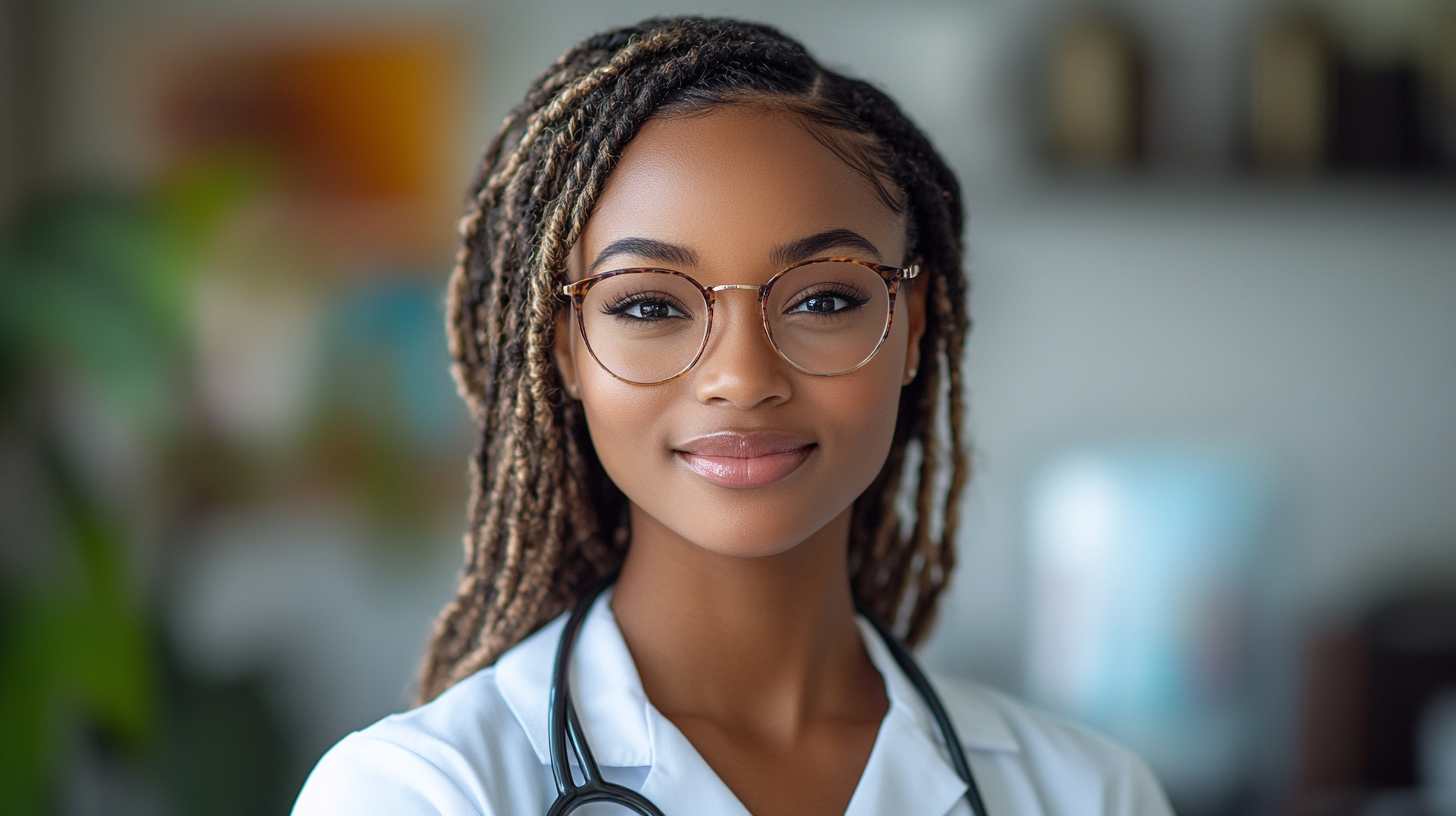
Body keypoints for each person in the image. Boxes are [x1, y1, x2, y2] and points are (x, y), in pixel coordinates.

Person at [292, 16, 1175, 816]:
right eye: (648, 306)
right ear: (559, 345)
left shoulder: (1089, 794)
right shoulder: (419, 793)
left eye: (825, 298)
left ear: (911, 326)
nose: (742, 377)